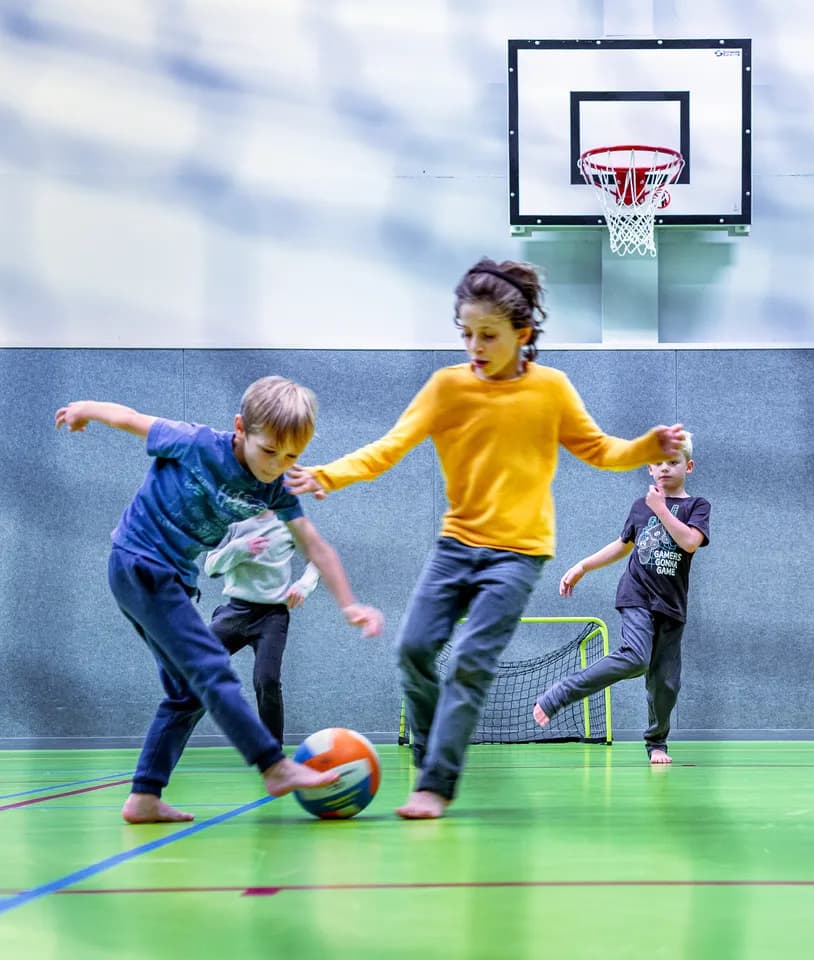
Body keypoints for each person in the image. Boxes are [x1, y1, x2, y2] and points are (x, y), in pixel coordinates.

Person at [287, 257, 686, 819]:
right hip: (456, 547)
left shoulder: (551, 390)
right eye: (467, 333)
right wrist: (326, 475)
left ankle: (436, 783)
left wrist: (647, 446)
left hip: (518, 554)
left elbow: (600, 450)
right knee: (413, 650)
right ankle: (429, 754)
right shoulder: (447, 388)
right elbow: (389, 447)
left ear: (522, 334)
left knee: (471, 661)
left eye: (488, 334)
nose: (475, 345)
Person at [55, 376, 384, 824]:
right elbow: (130, 419)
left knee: (186, 693)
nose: (277, 465)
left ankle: (144, 796)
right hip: (140, 562)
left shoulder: (275, 487)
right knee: (211, 666)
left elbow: (315, 546)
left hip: (169, 578)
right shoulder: (195, 443)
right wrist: (85, 409)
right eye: (270, 451)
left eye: (291, 457)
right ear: (240, 429)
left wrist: (349, 605)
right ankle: (273, 765)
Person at [533, 435, 710, 764]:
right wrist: (583, 566)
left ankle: (657, 742)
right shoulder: (641, 507)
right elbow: (622, 544)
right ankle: (561, 693)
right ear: (649, 469)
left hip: (671, 606)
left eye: (673, 462)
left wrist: (661, 509)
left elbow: (689, 542)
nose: (665, 468)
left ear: (688, 466)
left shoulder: (697, 506)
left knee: (666, 683)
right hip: (637, 595)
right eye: (658, 463)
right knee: (636, 658)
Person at [204, 510, 321, 745]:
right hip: (236, 612)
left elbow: (317, 560)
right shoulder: (230, 520)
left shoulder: (289, 521)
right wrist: (239, 548)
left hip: (272, 617)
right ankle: (170, 742)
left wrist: (304, 585)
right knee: (193, 666)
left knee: (267, 681)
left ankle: (273, 752)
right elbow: (210, 567)